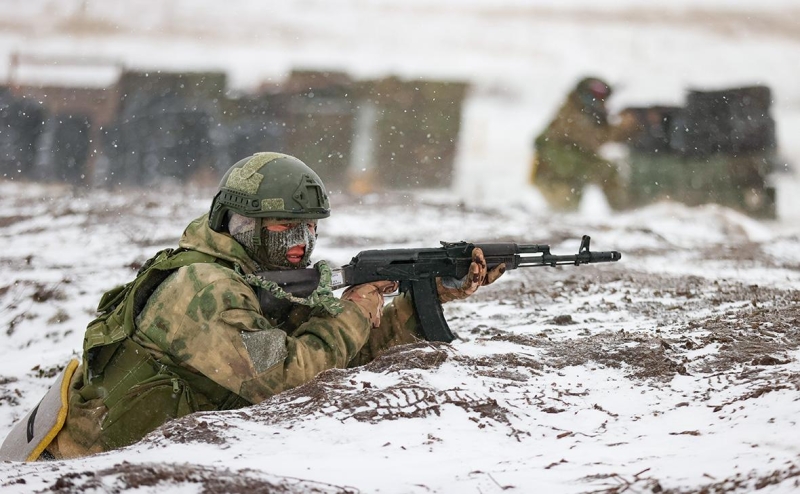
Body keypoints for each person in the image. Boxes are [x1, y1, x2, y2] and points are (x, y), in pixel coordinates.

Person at [3, 152, 502, 461]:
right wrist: (351, 308)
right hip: (83, 469)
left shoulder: (249, 277)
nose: (301, 247)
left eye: (309, 231)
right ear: (242, 224)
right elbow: (289, 378)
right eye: (287, 232)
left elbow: (341, 350)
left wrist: (429, 294)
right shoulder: (203, 290)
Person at [530, 76, 634, 211]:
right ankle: (623, 212)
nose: (600, 101)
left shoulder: (585, 112)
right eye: (596, 95)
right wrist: (620, 126)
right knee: (563, 210)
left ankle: (623, 211)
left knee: (567, 210)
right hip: (555, 172)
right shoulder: (570, 113)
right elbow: (592, 139)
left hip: (568, 169)